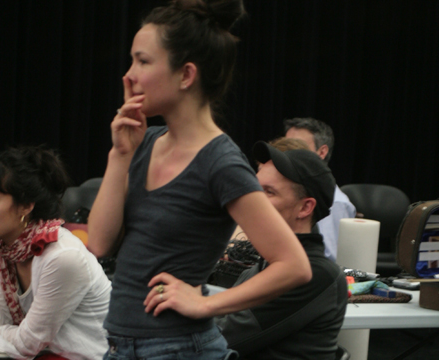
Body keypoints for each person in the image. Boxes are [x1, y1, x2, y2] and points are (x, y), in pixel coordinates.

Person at [88, 1, 312, 359]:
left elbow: (294, 266)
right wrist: (120, 156)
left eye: (143, 61)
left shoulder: (220, 163)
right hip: (121, 346)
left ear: (186, 75)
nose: (129, 75)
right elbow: (98, 243)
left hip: (178, 349)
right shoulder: (144, 142)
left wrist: (209, 303)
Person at [0, 147, 111, 360]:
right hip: (36, 351)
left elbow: (29, 343)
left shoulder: (63, 257)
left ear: (26, 206)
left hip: (79, 356)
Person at [216, 140, 348, 360]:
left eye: (268, 192)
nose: (252, 199)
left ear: (305, 208)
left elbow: (221, 339)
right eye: (253, 188)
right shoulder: (265, 264)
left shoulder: (313, 274)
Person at [284, 117, 356, 262]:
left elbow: (331, 259)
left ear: (321, 152)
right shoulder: (288, 190)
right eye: (286, 145)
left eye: (297, 147)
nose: (288, 153)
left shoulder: (335, 203)